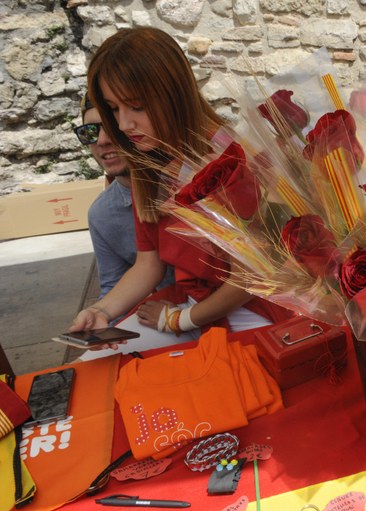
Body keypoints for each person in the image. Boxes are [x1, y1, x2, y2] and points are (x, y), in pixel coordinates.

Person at [69, 27, 281, 358]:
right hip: (193, 311)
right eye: (113, 109)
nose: (124, 124)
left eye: (136, 106)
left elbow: (253, 278)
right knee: (96, 363)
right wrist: (102, 311)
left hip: (252, 313)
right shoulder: (147, 163)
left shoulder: (227, 161)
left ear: (173, 94)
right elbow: (148, 264)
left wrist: (179, 320)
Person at [74, 94, 174, 300]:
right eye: (90, 131)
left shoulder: (190, 181)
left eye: (111, 127)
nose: (102, 140)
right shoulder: (102, 214)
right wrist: (99, 316)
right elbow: (114, 287)